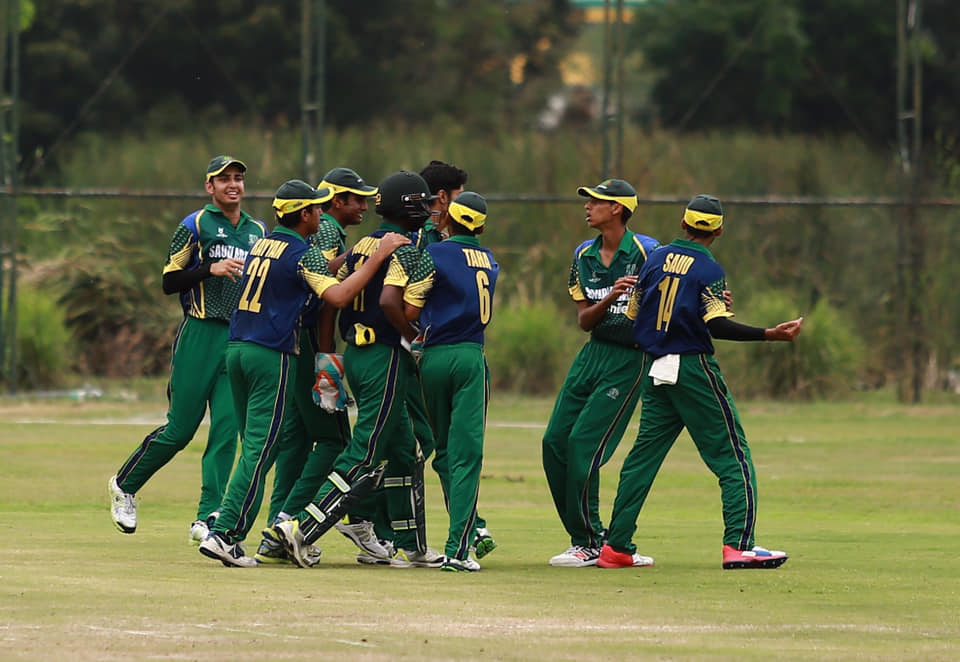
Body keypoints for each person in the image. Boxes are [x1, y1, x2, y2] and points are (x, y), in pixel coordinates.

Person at [198, 180, 409, 567]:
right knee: (261, 451)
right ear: (304, 214)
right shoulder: (300, 251)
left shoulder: (264, 243)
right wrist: (378, 256)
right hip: (270, 355)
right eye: (315, 210)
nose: (320, 215)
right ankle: (226, 534)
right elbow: (339, 297)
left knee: (256, 450)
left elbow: (308, 275)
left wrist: (347, 260)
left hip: (237, 349)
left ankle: (234, 529)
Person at [597, 194, 803, 570]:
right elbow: (717, 324)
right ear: (719, 230)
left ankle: (617, 548)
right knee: (733, 455)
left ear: (683, 222)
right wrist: (769, 334)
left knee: (642, 459)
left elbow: (634, 312)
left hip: (655, 367)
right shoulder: (709, 270)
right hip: (692, 368)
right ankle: (739, 544)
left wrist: (681, 309)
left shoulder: (655, 257)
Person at [269, 170, 444, 569]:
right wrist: (413, 338)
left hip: (357, 355)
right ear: (407, 206)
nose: (428, 209)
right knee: (363, 455)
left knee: (407, 451)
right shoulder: (402, 247)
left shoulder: (364, 243)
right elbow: (387, 301)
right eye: (422, 202)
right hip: (383, 355)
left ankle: (413, 546)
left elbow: (333, 302)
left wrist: (329, 356)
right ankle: (300, 531)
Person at [109, 155, 266, 543]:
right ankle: (125, 485)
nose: (233, 184)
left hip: (237, 338)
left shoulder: (257, 229)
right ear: (209, 187)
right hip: (199, 333)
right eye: (224, 179)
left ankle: (208, 516)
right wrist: (207, 269)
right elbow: (169, 280)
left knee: (227, 432)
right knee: (181, 430)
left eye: (238, 178)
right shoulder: (194, 225)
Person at [254, 167, 388, 565]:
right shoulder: (326, 230)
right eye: (356, 198)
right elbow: (328, 292)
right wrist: (328, 362)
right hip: (311, 343)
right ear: (333, 202)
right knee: (334, 441)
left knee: (296, 441)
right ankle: (293, 521)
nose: (364, 206)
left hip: (292, 344)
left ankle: (272, 537)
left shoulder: (326, 229)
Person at [541, 178, 660, 567]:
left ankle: (591, 541)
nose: (588, 206)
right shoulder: (583, 254)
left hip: (629, 359)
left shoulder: (647, 252)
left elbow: (677, 288)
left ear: (619, 210)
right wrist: (610, 296)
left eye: (597, 201)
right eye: (588, 201)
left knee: (582, 447)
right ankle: (584, 537)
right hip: (592, 354)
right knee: (554, 442)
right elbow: (584, 321)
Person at [401, 192, 499, 572]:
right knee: (466, 455)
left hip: (432, 358)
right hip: (470, 356)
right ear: (482, 226)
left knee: (442, 450)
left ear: (449, 221)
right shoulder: (491, 260)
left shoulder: (435, 254)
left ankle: (465, 534)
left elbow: (412, 308)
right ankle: (459, 549)